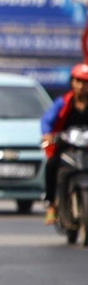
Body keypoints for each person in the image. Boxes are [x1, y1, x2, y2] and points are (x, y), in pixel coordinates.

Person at [41, 62, 88, 225]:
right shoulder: (64, 103)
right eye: (79, 81)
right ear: (72, 83)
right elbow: (47, 120)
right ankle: (51, 204)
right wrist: (47, 135)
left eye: (85, 82)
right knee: (52, 165)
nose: (82, 86)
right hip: (66, 146)